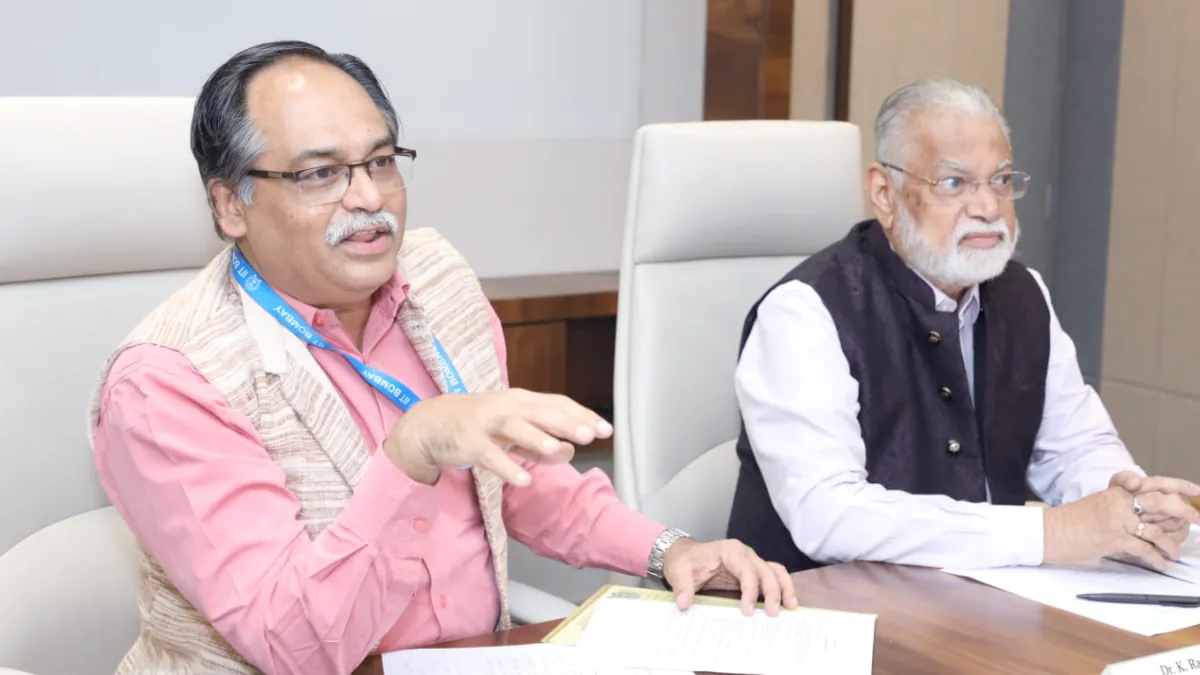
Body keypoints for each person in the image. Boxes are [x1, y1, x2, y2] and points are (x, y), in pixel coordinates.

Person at [90, 40, 796, 675]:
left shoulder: (436, 279)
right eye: (320, 175)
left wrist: (668, 550)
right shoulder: (168, 379)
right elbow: (295, 646)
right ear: (230, 205)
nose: (368, 199)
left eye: (380, 161)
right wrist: (410, 452)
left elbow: (512, 477)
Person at [726, 77, 1200, 574]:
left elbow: (1076, 447)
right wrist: (1058, 530)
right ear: (884, 194)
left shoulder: (1023, 294)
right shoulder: (804, 311)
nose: (989, 208)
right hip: (824, 616)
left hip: (980, 609)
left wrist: (1133, 508)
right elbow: (827, 514)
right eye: (954, 183)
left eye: (1000, 180)